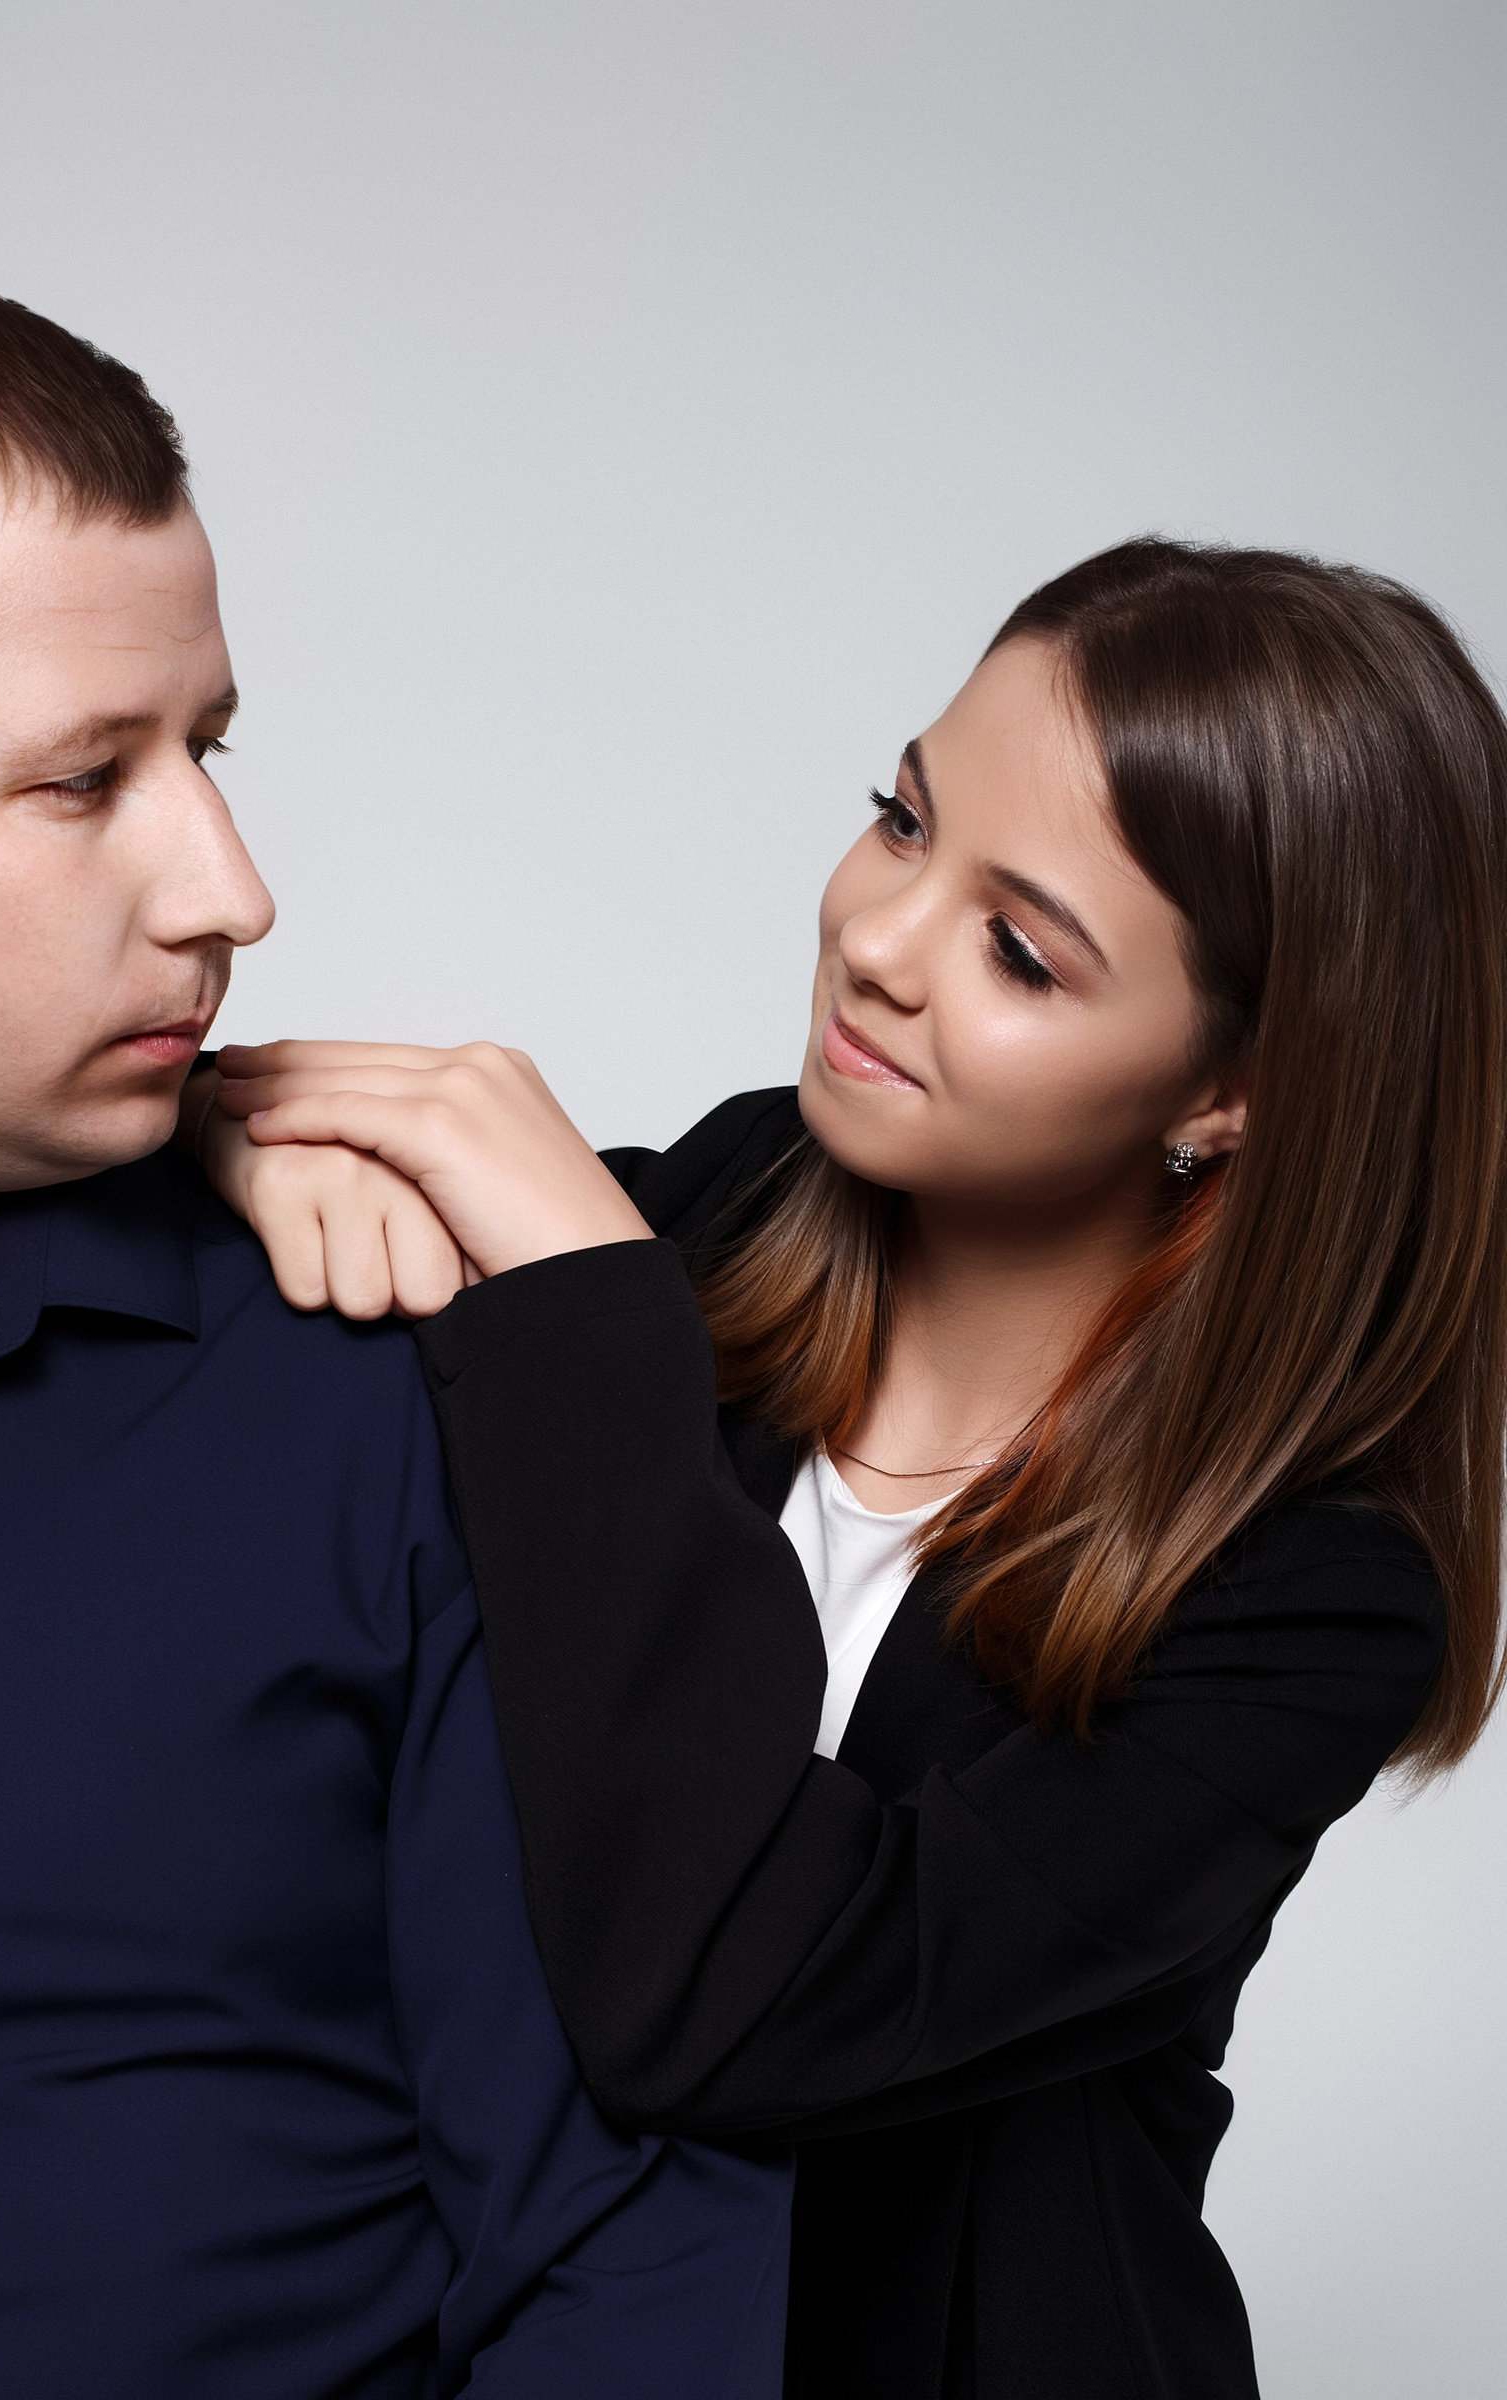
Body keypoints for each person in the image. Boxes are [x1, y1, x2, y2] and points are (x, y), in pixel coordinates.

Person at [0, 273, 794, 2400]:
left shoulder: (402, 1380)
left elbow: (630, 2251)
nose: (231, 889)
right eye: (84, 780)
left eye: (206, 750)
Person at [189, 538, 1507, 2399]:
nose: (875, 943)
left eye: (1019, 949)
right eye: (902, 820)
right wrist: (247, 1149)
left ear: (1234, 1095)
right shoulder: (730, 1202)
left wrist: (580, 1296)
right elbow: (257, 1184)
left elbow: (731, 2008)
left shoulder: (1317, 1598)